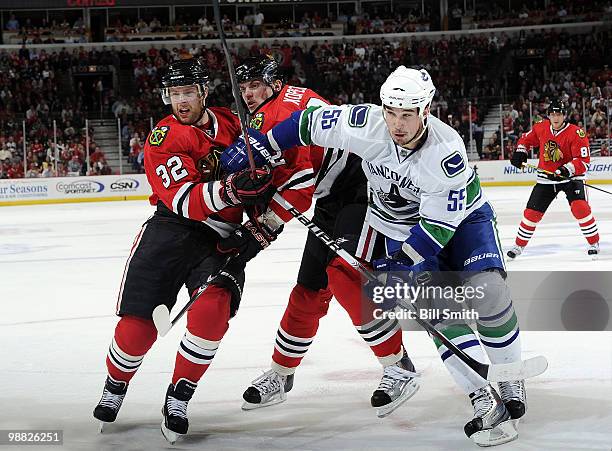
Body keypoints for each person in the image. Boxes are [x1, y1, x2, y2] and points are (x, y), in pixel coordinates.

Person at [225, 66, 528, 446]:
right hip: (398, 226)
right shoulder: (365, 123)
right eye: (391, 112)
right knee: (438, 312)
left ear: (426, 110)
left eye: (407, 114)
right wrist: (263, 143)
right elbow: (306, 123)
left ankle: (509, 374)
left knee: (488, 293)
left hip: (462, 221)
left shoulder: (445, 153)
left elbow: (437, 229)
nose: (397, 124)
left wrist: (402, 264)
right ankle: (482, 397)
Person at [223, 55, 418, 418]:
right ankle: (281, 374)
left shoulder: (276, 113)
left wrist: (263, 226)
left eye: (255, 86)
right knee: (309, 287)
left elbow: (300, 184)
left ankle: (398, 367)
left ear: (273, 84)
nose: (248, 94)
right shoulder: (276, 107)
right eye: (243, 87)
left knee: (344, 275)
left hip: (363, 190)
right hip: (332, 198)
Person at [92, 59, 276, 441]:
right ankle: (115, 385)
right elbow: (182, 200)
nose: (181, 101)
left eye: (188, 92)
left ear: (203, 93)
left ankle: (179, 396)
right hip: (170, 231)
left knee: (212, 311)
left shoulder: (231, 122)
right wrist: (230, 190)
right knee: (137, 327)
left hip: (221, 236)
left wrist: (261, 222)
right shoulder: (163, 138)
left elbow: (262, 173)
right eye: (174, 94)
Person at [507, 99, 599, 259]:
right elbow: (525, 140)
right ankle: (518, 246)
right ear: (549, 115)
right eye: (552, 114)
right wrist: (520, 151)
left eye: (559, 114)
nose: (556, 117)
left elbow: (583, 161)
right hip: (547, 179)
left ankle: (593, 242)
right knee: (531, 213)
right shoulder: (541, 127)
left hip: (570, 177)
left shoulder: (577, 133)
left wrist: (565, 169)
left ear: (564, 116)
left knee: (580, 208)